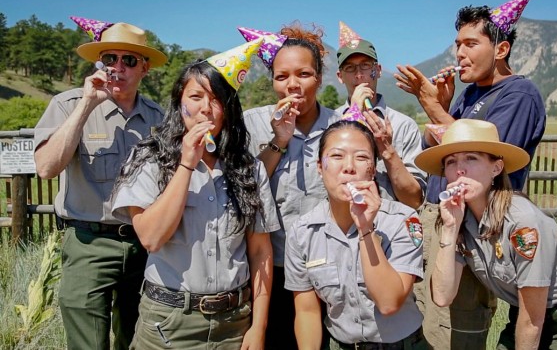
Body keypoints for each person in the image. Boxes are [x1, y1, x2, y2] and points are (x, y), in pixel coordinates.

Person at [394, 0, 546, 348]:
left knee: (454, 328)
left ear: (501, 49)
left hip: (474, 230)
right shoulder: (469, 95)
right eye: (457, 44)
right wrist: (446, 107)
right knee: (427, 316)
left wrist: (433, 108)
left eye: (470, 43)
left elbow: (485, 158)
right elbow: (448, 155)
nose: (459, 53)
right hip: (446, 221)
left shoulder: (518, 95)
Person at [111, 39, 278, 349]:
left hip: (235, 321)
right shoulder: (149, 159)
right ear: (179, 103)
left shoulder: (247, 167)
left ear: (227, 109)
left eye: (216, 99)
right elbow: (151, 238)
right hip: (169, 322)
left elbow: (260, 251)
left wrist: (259, 326)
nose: (205, 108)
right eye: (196, 96)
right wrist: (187, 163)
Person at [415, 119, 557, 349]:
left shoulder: (522, 222)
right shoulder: (458, 219)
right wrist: (449, 230)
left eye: (471, 158)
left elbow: (532, 319)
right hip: (525, 315)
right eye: (451, 162)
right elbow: (442, 296)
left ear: (496, 168)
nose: (460, 168)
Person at [33, 16, 167, 350]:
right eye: (110, 58)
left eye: (129, 60)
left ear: (144, 69)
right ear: (99, 63)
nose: (117, 67)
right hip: (88, 244)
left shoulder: (159, 118)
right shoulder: (67, 105)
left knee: (137, 339)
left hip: (143, 246)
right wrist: (87, 104)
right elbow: (47, 168)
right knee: (87, 344)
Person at [284, 116, 430, 350]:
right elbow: (307, 311)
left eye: (361, 157)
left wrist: (365, 229)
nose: (349, 166)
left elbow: (389, 303)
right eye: (336, 156)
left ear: (372, 169)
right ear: (320, 168)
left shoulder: (402, 220)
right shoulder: (302, 232)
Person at [241, 22, 339, 349]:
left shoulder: (341, 128)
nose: (292, 85)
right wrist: (278, 142)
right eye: (282, 77)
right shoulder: (251, 123)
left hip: (330, 270)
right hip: (271, 269)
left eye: (303, 74)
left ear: (320, 78)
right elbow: (243, 190)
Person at [335, 21, 426, 210]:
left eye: (365, 66)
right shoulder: (330, 122)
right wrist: (353, 113)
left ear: (377, 70)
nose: (359, 75)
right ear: (340, 76)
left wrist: (387, 150)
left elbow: (415, 200)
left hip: (393, 230)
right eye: (350, 68)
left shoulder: (403, 125)